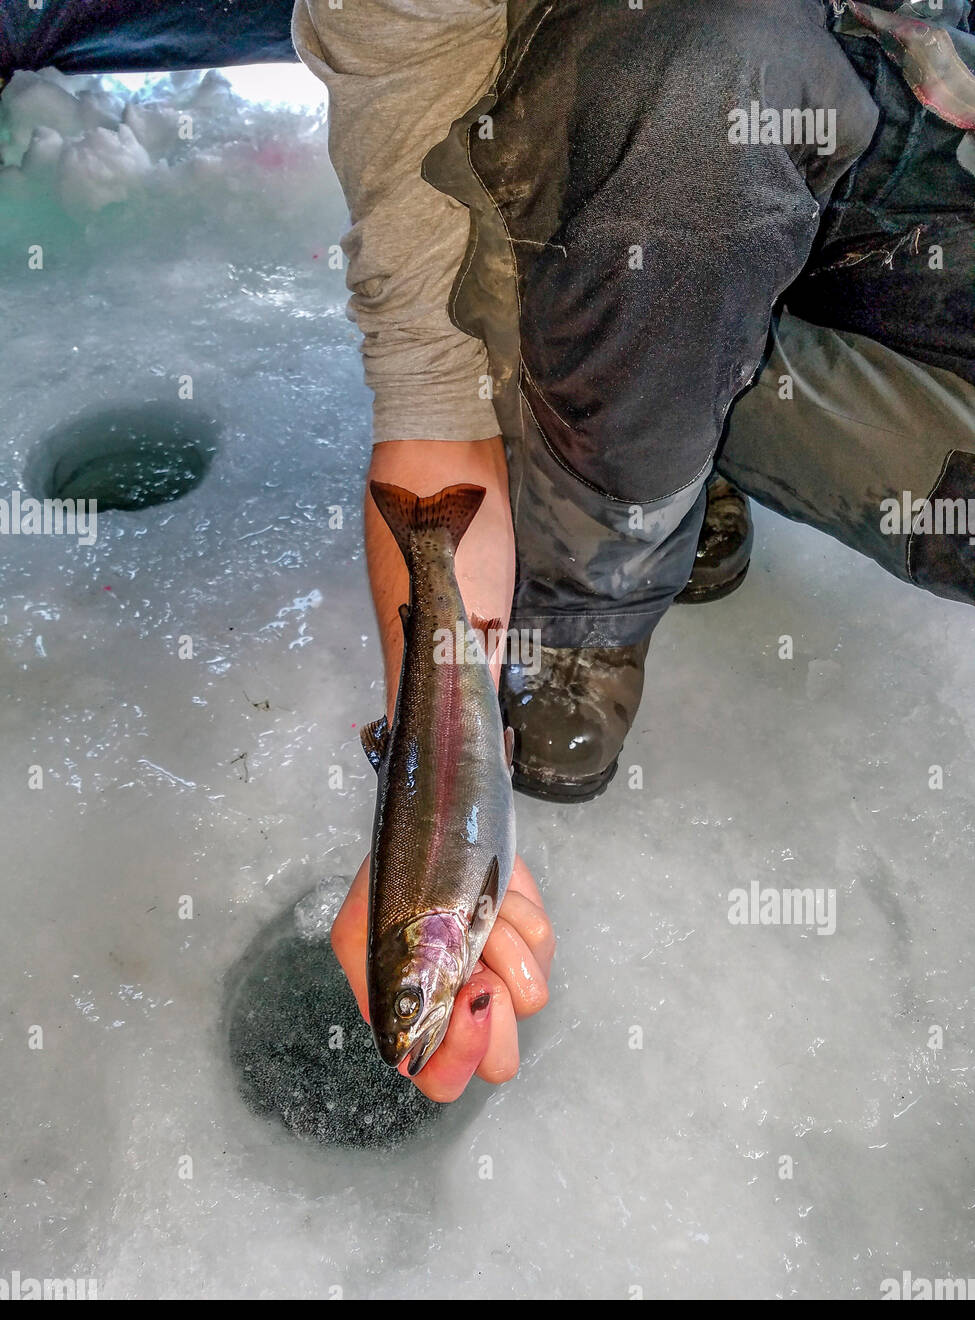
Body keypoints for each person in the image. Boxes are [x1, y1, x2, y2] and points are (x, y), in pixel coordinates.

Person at [292, 0, 975, 1101]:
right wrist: (429, 779)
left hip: (909, 109)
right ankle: (630, 445)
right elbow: (431, 401)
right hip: (654, 158)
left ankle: (688, 383)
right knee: (714, 84)